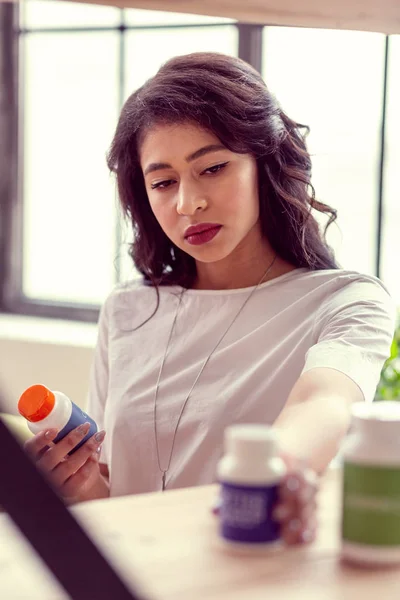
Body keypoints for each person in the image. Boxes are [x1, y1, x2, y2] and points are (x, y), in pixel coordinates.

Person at [25, 52, 395, 545]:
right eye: (163, 182)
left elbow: (323, 404)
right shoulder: (128, 311)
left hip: (243, 573)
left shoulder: (345, 302)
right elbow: (118, 490)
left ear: (265, 164)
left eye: (214, 168)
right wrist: (82, 482)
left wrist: (275, 469)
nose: (188, 203)